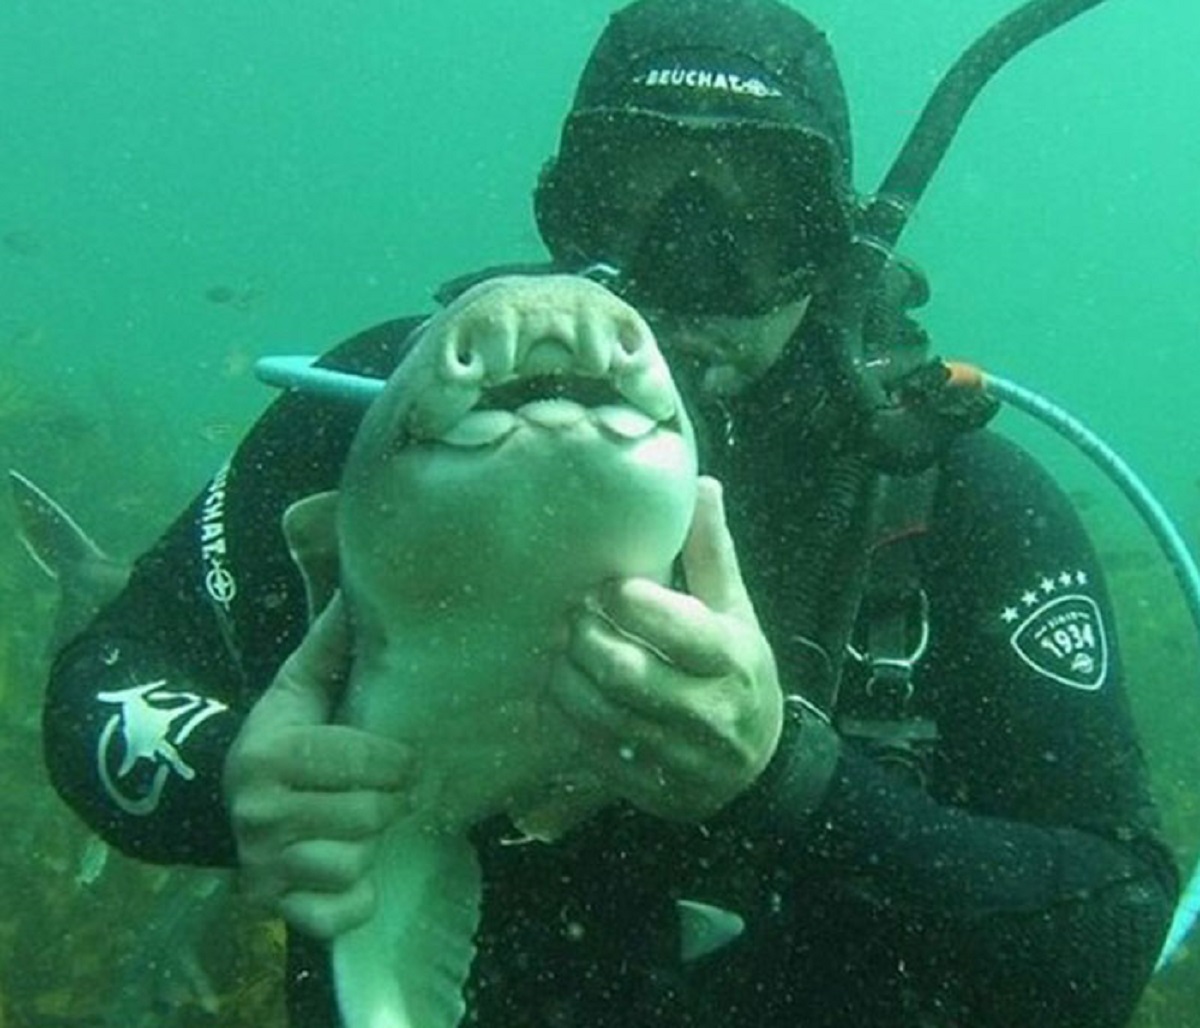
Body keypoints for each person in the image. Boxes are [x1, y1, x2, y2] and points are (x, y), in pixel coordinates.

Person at [43, 0, 1178, 1025]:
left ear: (833, 242)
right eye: (634, 196)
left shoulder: (961, 508)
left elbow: (1110, 935)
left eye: (762, 212)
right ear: (560, 210)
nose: (690, 258)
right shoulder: (375, 421)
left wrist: (794, 781)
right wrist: (230, 779)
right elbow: (108, 671)